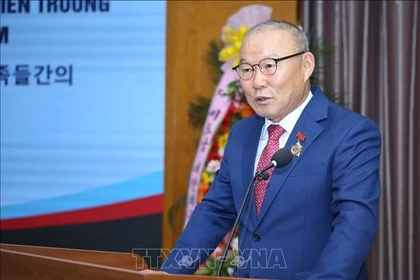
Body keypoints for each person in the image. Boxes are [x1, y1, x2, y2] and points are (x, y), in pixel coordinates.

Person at [143, 19, 382, 280]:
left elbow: (353, 226)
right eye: (247, 69)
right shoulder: (241, 133)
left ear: (306, 65)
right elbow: (215, 212)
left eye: (269, 66)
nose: (257, 82)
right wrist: (167, 276)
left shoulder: (350, 132)